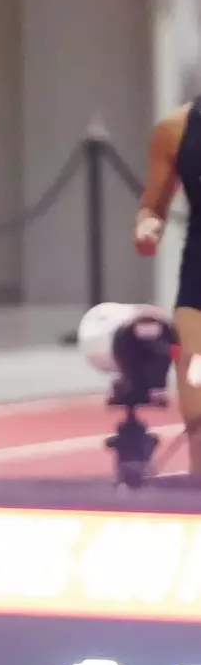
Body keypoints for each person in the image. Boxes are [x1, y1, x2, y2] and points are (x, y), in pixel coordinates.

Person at [134, 99, 201, 470]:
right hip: (199, 290)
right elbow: (152, 207)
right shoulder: (176, 130)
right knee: (199, 411)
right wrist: (147, 227)